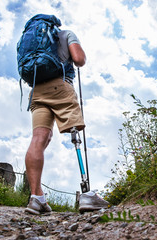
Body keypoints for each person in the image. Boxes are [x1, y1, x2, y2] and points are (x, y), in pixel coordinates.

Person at [24, 22, 109, 215]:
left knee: (38, 139)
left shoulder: (31, 40)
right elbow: (79, 59)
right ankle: (87, 195)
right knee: (75, 133)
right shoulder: (66, 34)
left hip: (36, 92)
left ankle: (36, 198)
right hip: (60, 86)